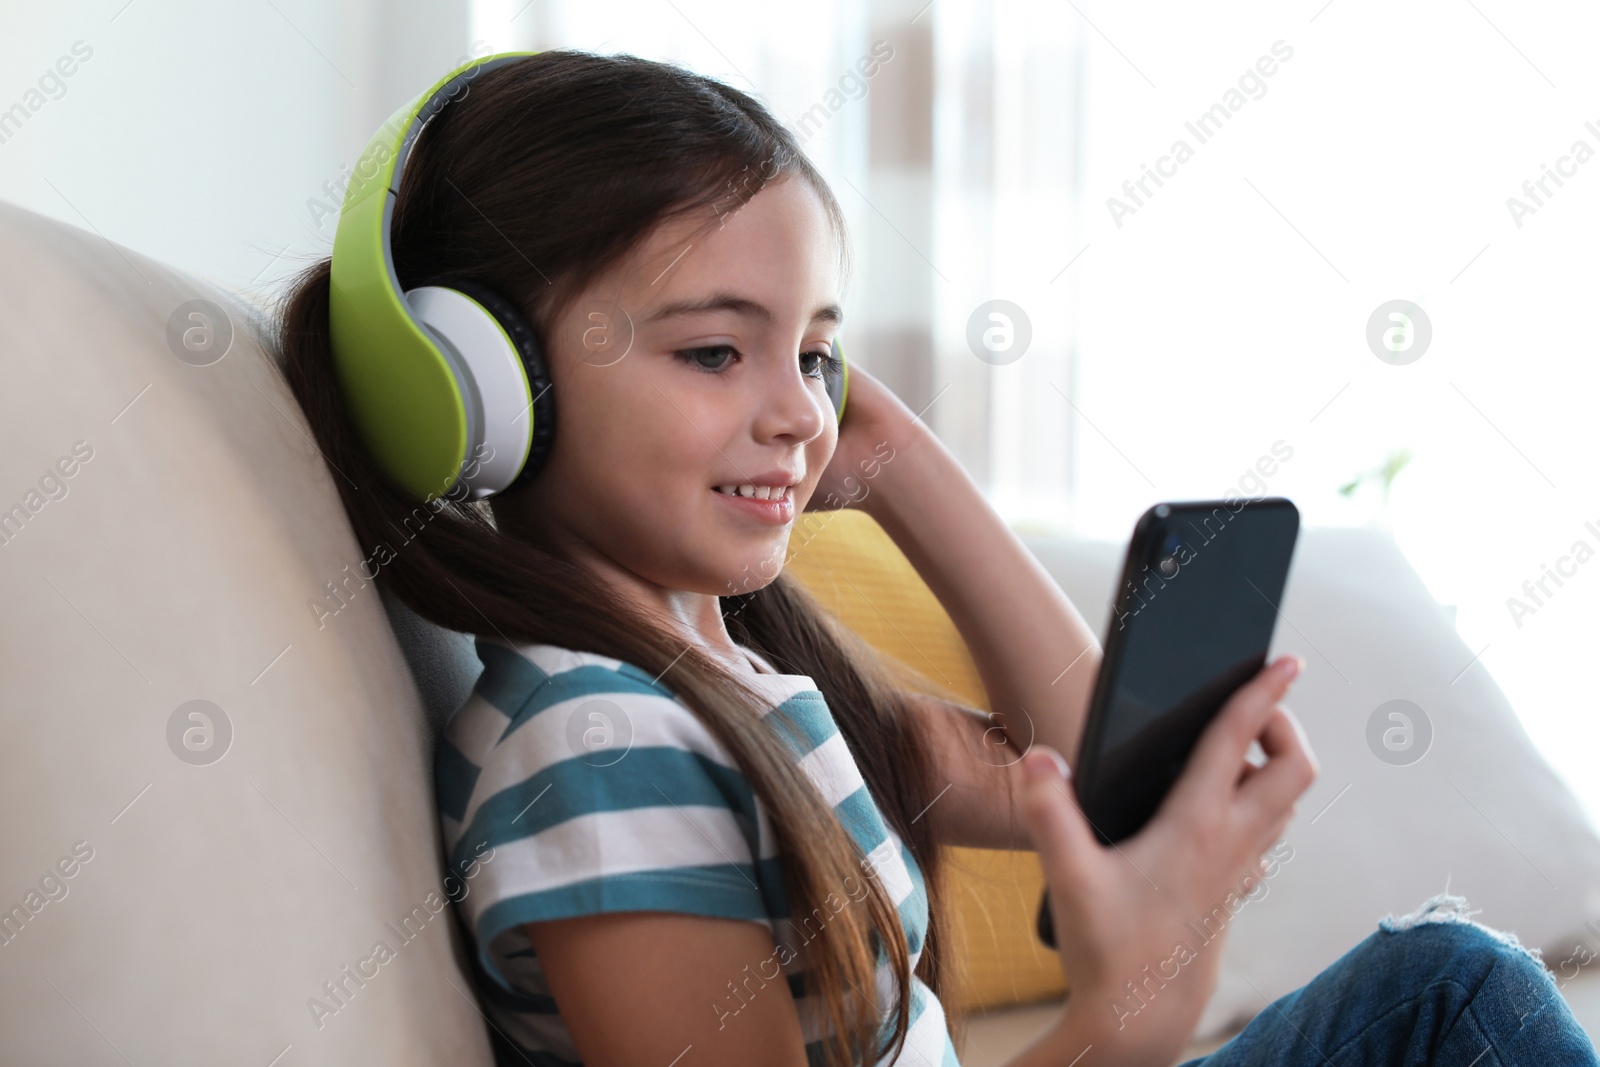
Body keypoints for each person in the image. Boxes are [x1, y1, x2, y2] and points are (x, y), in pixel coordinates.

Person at [273, 49, 1599, 1067]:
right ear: (489, 390)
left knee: (1442, 976)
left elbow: (1089, 782)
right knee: (1456, 995)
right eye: (714, 350)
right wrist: (1122, 1022)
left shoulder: (741, 685)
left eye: (815, 352)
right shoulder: (598, 750)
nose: (798, 409)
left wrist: (898, 460)